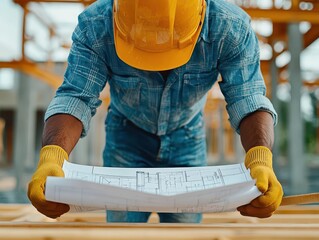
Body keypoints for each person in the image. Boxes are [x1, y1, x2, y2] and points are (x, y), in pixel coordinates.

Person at [28, 0, 283, 223]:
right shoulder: (96, 26)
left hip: (187, 137)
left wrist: (260, 158)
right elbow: (76, 97)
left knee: (185, 232)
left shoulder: (230, 28)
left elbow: (247, 97)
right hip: (126, 137)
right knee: (123, 232)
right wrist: (54, 156)